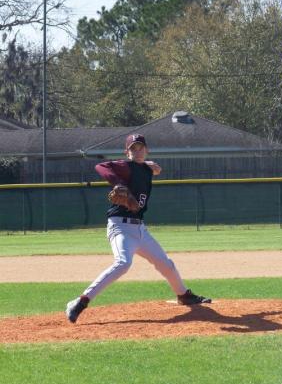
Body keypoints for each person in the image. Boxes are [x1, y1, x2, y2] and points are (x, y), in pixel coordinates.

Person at [66, 133, 211, 323]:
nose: (137, 150)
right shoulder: (126, 166)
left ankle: (184, 296)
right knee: (123, 263)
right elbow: (100, 166)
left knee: (166, 264)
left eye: (140, 147)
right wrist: (118, 183)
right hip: (120, 226)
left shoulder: (146, 168)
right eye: (133, 148)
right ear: (127, 152)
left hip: (140, 229)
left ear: (147, 150)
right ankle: (81, 301)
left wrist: (150, 166)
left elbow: (154, 169)